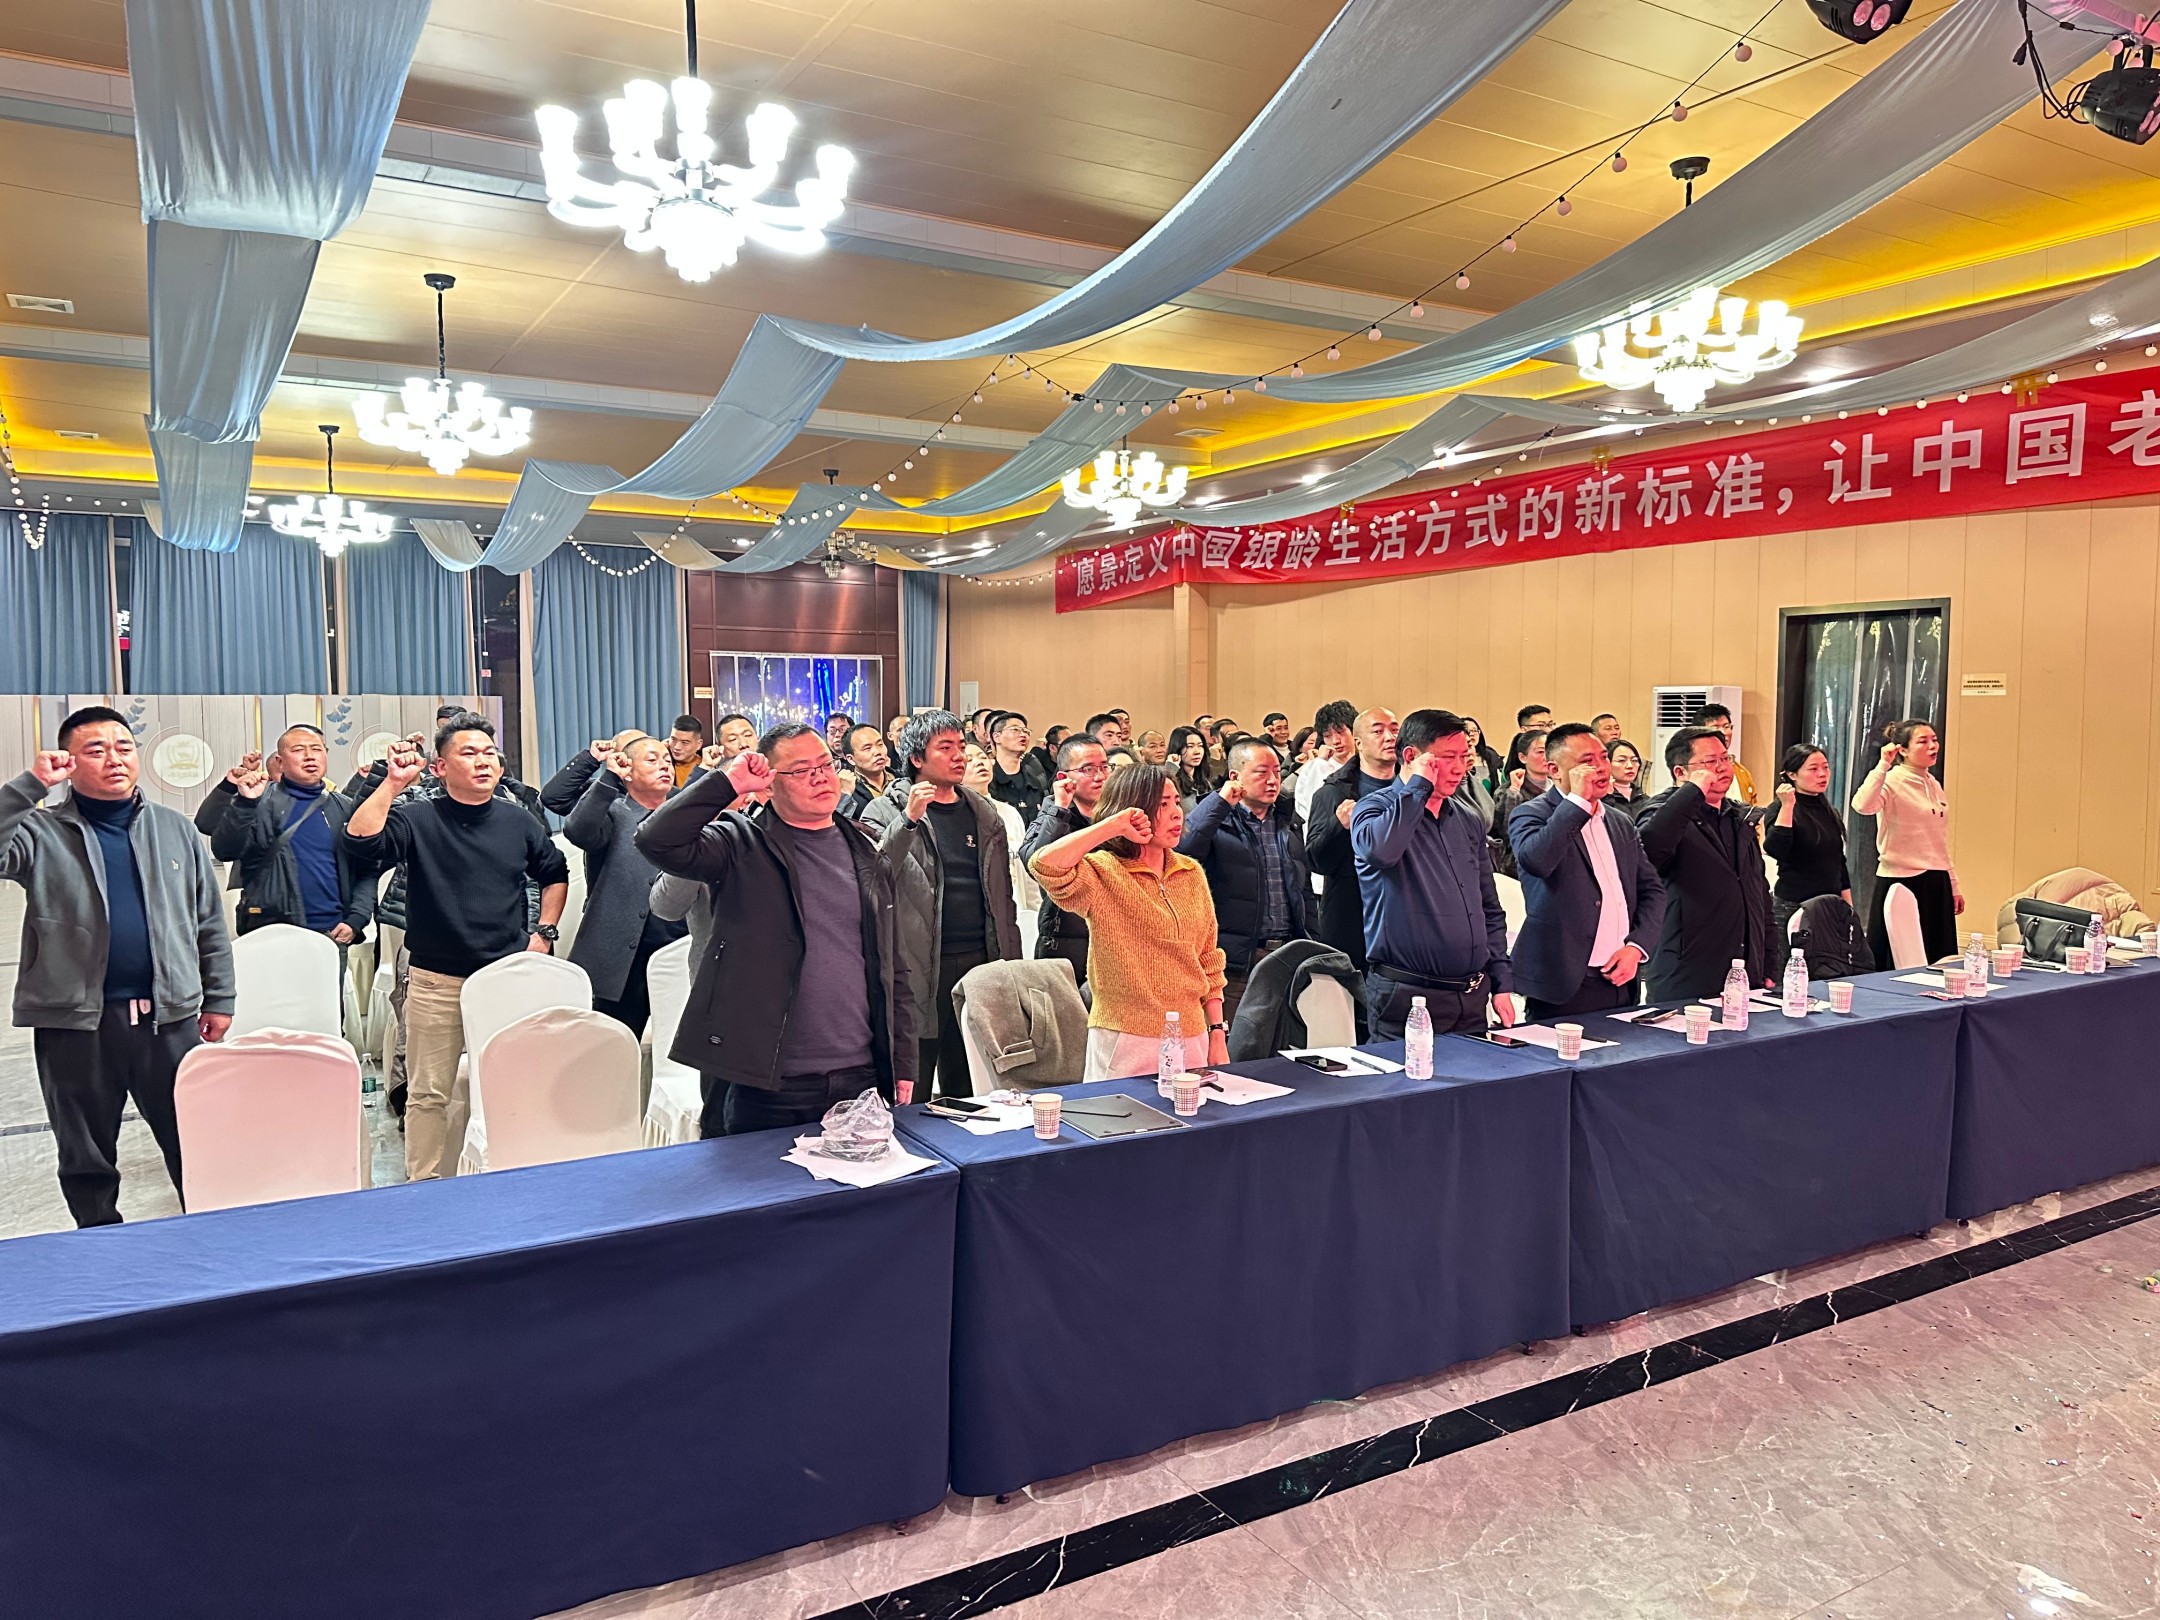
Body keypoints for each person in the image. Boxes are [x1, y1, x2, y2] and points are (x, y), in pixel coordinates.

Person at [0, 708, 233, 1227]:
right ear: (68, 762)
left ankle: (208, 1239)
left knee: (195, 1142)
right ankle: (98, 1246)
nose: (114, 759)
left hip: (169, 1022)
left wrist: (219, 997)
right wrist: (30, 786)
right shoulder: (41, 831)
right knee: (85, 1156)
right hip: (77, 1024)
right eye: (96, 750)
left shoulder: (175, 829)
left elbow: (208, 921)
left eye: (124, 747)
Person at [635, 725, 915, 1134]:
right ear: (767, 786)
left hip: (859, 1073)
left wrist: (902, 1060)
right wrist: (727, 784)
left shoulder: (867, 852)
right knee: (756, 1176)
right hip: (762, 1078)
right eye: (801, 771)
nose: (820, 777)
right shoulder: (739, 843)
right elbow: (656, 840)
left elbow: (894, 966)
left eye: (825, 765)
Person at [344, 715, 569, 1180]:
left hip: (503, 977)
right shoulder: (418, 817)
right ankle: (423, 1183)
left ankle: (511, 1172)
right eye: (469, 753)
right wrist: (392, 783)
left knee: (510, 1083)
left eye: (489, 753)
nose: (483, 761)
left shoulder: (518, 820)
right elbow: (360, 842)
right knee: (428, 1092)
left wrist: (544, 932)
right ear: (440, 768)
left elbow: (554, 872)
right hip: (435, 981)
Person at [1028, 762, 1227, 1082]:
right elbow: (1044, 865)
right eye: (1162, 804)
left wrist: (1217, 1032)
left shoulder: (1191, 872)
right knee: (1120, 1115)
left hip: (1191, 1034)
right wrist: (1112, 826)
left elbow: (1208, 958)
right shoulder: (1103, 870)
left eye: (1177, 802)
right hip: (1125, 1036)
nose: (1177, 813)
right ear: (1133, 809)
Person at [863, 710, 1022, 1098]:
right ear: (917, 758)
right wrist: (908, 821)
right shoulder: (884, 811)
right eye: (945, 748)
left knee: (970, 1084)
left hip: (980, 960)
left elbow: (1003, 899)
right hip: (917, 964)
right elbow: (872, 879)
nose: (959, 756)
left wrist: (1011, 964)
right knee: (911, 1087)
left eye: (961, 746)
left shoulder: (983, 813)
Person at [1350, 709, 1514, 1039]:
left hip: (1471, 996)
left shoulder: (1467, 818)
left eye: (1464, 757)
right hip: (1407, 996)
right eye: (1448, 757)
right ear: (1412, 757)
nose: (1459, 768)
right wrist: (1418, 787)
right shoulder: (1373, 809)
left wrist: (1501, 981)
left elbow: (1487, 906)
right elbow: (1381, 851)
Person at [1508, 724, 1666, 1019]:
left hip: (1621, 976)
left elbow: (1652, 890)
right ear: (1555, 770)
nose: (1601, 768)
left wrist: (1636, 947)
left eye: (1604, 757)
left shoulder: (1619, 821)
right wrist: (1578, 803)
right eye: (1587, 761)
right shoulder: (1531, 813)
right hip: (1564, 981)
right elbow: (1537, 861)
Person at [1636, 726, 1775, 1001]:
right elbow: (1649, 851)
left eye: (1725, 758)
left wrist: (1768, 962)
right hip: (1686, 972)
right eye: (1710, 762)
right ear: (1680, 772)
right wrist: (1693, 792)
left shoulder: (1739, 817)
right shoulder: (1661, 811)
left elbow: (1760, 895)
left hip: (1746, 972)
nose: (1722, 768)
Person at [1178, 739, 1310, 1026]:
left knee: (1285, 1044)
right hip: (1236, 960)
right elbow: (1183, 851)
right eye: (1262, 772)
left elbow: (1303, 889)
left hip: (1287, 954)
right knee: (1233, 1042)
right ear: (1235, 777)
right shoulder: (1216, 818)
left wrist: (1311, 941)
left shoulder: (1288, 819)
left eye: (1277, 772)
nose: (1273, 780)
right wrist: (1219, 802)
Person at [563, 736, 688, 1035]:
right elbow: (577, 830)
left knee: (675, 1046)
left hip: (676, 948)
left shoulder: (685, 817)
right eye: (652, 760)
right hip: (618, 956)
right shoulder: (614, 812)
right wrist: (609, 778)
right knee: (612, 1043)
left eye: (667, 760)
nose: (665, 766)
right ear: (628, 771)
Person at [207, 725, 375, 945]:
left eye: (316, 749)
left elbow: (367, 868)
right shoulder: (259, 801)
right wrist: (244, 805)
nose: (309, 756)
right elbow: (225, 851)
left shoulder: (344, 807)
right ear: (280, 761)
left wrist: (356, 919)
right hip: (271, 933)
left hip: (332, 933)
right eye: (298, 750)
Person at [1851, 718, 1960, 964]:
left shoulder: (1933, 783)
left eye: (1934, 740)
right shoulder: (1892, 780)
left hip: (1936, 879)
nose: (1932, 746)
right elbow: (1862, 805)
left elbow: (1938, 839)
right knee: (1898, 960)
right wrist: (1883, 765)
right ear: (1903, 750)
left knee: (1938, 959)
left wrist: (1953, 883)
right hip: (1901, 880)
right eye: (1923, 741)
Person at [1306, 707, 1398, 973]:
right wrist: (1338, 826)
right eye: (1378, 731)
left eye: (1394, 730)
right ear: (1358, 742)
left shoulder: (1413, 789)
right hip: (1352, 919)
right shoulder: (1333, 793)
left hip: (1405, 919)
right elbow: (1316, 860)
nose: (1389, 737)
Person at [1021, 733, 1110, 985]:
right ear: (1063, 777)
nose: (1100, 776)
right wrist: (1060, 808)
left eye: (1105, 767)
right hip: (1064, 938)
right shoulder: (1052, 813)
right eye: (1088, 769)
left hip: (1112, 937)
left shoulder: (1118, 815)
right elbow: (1035, 863)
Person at [1764, 743, 1853, 940]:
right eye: (1813, 769)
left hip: (1830, 906)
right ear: (1792, 775)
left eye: (1825, 767)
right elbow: (1776, 849)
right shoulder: (1779, 808)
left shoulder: (1828, 810)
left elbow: (1838, 862)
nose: (1822, 774)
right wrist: (1787, 805)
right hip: (1793, 906)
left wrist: (1848, 908)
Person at [1489, 727, 1551, 879]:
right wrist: (1514, 791)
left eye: (1549, 750)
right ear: (1523, 757)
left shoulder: (1562, 786)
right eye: (1540, 752)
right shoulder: (1508, 791)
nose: (1547, 756)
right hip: (1520, 867)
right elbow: (1505, 831)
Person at [1294, 700, 1358, 826]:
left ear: (1354, 731)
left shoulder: (1366, 765)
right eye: (1328, 736)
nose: (1335, 741)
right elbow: (1307, 810)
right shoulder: (1314, 768)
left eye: (1340, 732)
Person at [987, 710, 1051, 824]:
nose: (1023, 735)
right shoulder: (988, 780)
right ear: (996, 737)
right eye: (1015, 729)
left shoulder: (1035, 779)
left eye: (1026, 731)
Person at [1692, 702, 1758, 807]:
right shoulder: (1694, 769)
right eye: (1715, 728)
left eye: (1726, 726)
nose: (1723, 732)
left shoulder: (1742, 772)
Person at [836, 723, 896, 822]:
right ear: (851, 759)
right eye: (867, 748)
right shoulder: (848, 788)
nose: (877, 752)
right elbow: (838, 824)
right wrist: (845, 795)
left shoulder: (901, 780)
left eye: (880, 744)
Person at [1603, 738, 1651, 820]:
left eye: (1634, 760)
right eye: (1621, 760)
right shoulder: (1600, 798)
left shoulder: (1645, 799)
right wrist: (1607, 797)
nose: (1630, 766)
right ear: (1606, 763)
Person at [1462, 716, 1505, 799]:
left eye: (1474, 730)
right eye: (1467, 731)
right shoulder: (1457, 756)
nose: (1471, 734)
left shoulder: (1490, 755)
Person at [1167, 725, 1209, 809]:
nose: (1197, 752)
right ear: (1177, 748)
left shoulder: (1205, 780)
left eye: (1200, 746)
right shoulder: (1172, 779)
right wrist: (1171, 768)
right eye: (1190, 746)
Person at [666, 714, 706, 789]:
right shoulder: (662, 762)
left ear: (698, 744)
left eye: (684, 743)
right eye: (673, 739)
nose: (676, 747)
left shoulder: (705, 766)